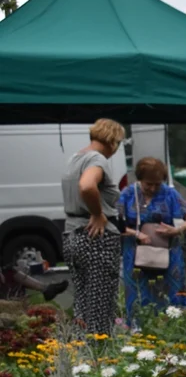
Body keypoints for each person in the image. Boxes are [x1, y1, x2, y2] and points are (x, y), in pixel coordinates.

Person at [61, 119, 127, 335]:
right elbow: (87, 185)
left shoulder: (75, 158)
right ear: (112, 141)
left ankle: (80, 352)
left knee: (82, 300)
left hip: (72, 234)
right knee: (100, 302)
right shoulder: (97, 159)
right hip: (95, 238)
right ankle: (98, 354)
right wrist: (98, 214)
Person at [117, 157, 186, 321]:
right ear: (140, 179)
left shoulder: (169, 193)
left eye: (157, 184)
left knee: (171, 292)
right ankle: (137, 327)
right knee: (138, 292)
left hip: (168, 253)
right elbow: (115, 224)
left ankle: (173, 325)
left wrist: (177, 229)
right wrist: (137, 234)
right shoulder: (127, 194)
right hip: (135, 253)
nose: (153, 188)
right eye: (149, 184)